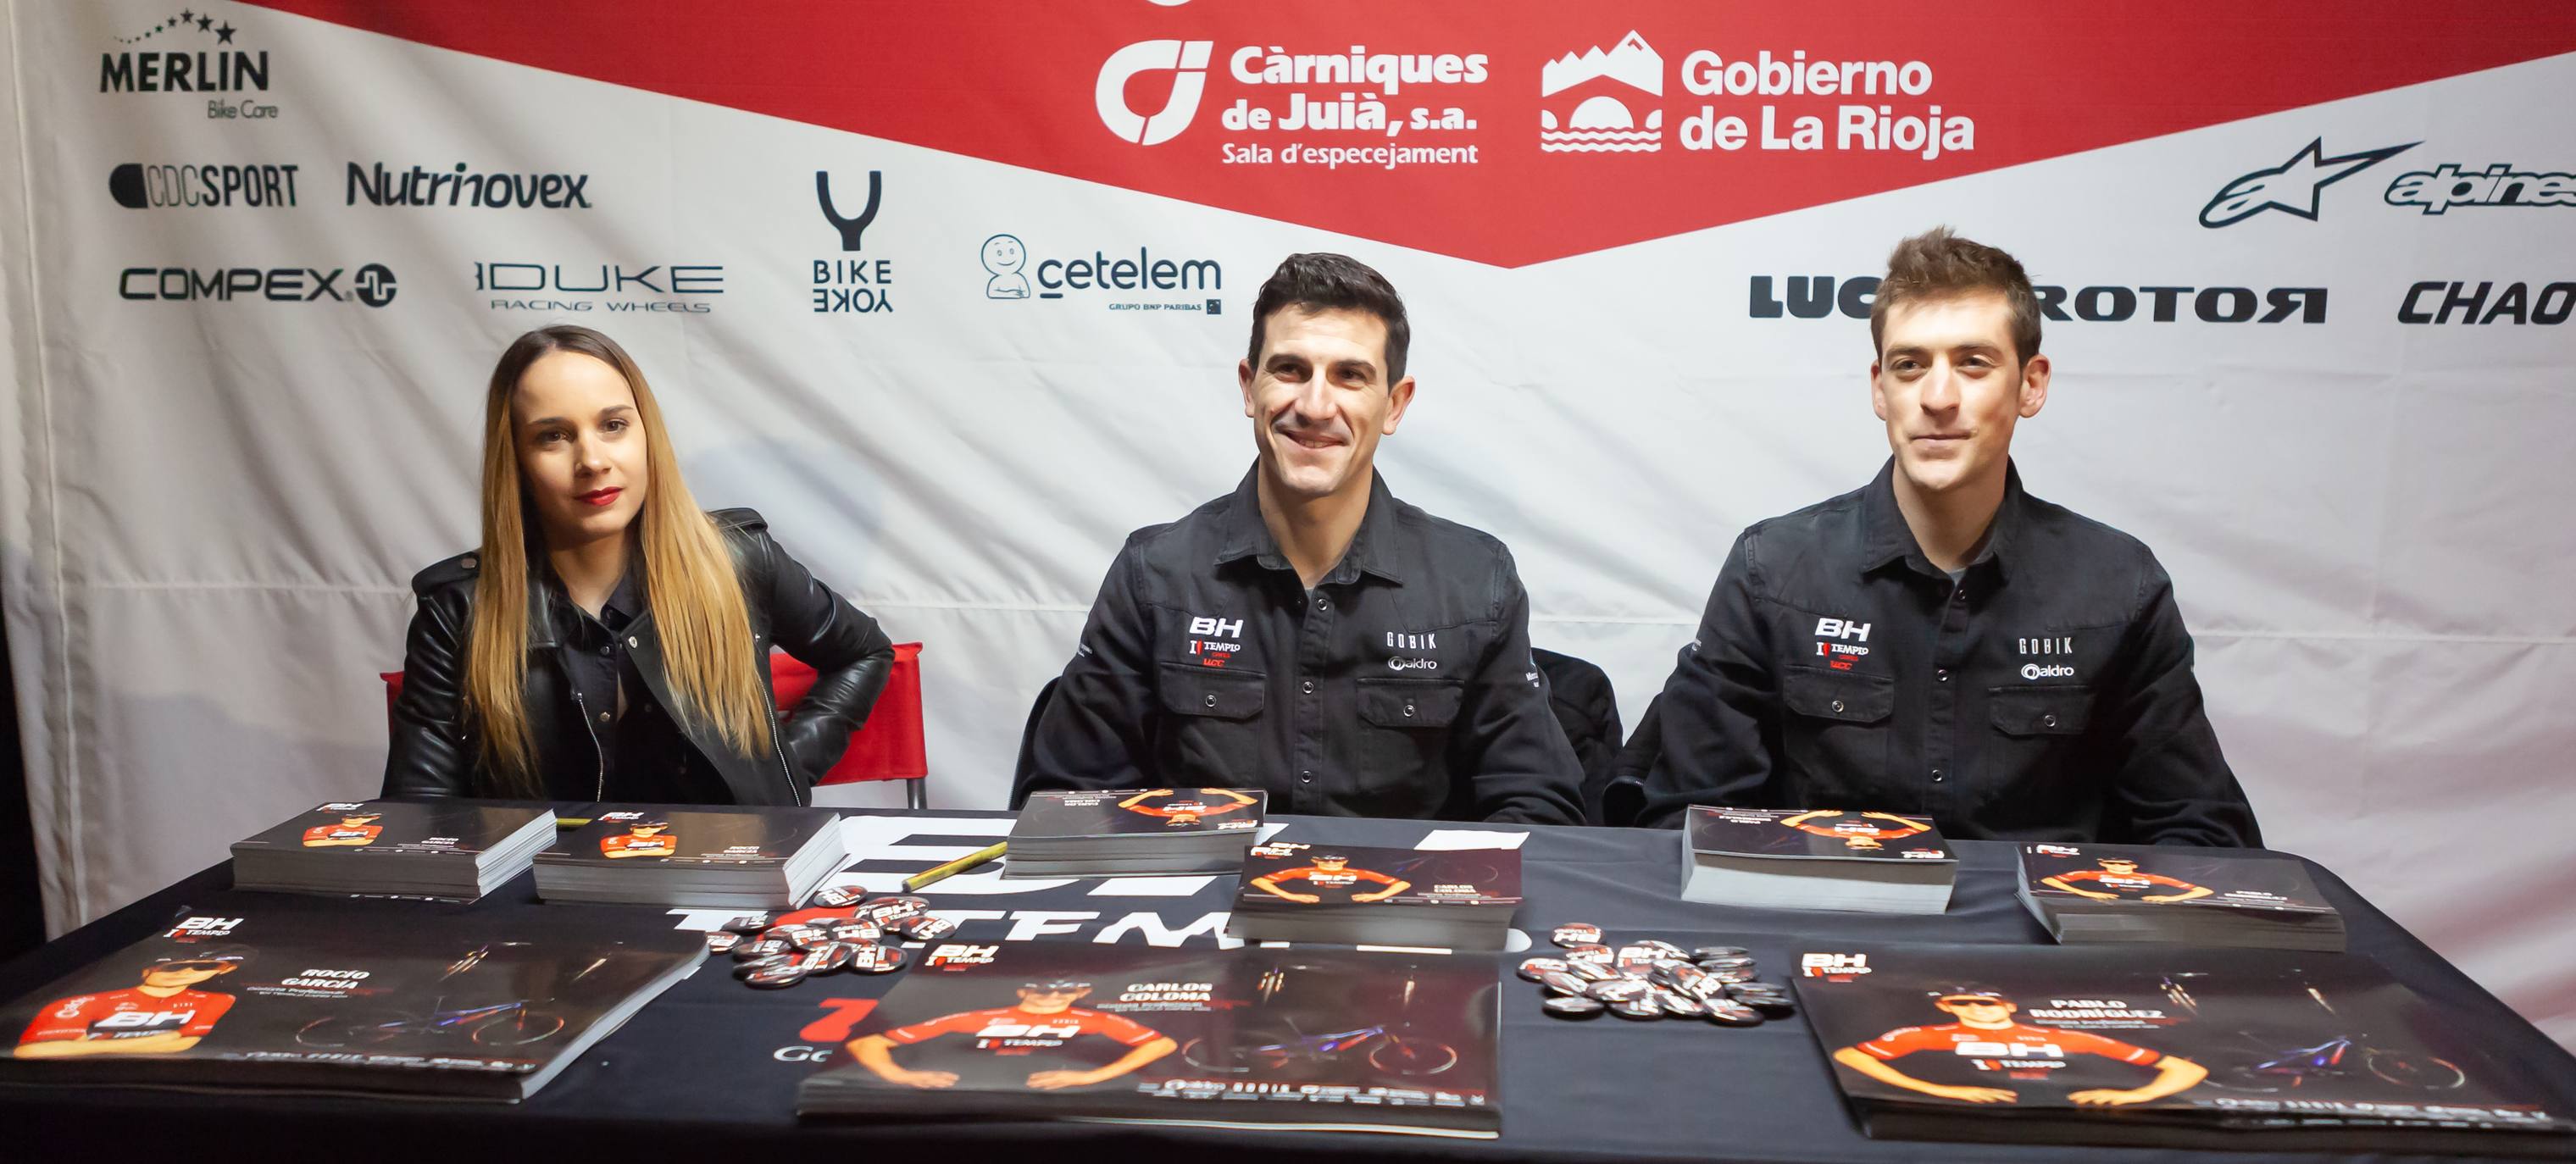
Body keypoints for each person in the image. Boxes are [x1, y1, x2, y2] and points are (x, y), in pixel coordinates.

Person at [1637, 229, 2261, 845]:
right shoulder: (1772, 569)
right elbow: (1689, 821)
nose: (1938, 398)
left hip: (2038, 942)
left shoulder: (2119, 584)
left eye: (1973, 364)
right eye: (1910, 366)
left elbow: (2199, 831)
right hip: (1829, 931)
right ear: (1881, 389)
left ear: (2031, 385)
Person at [1016, 253, 1583, 824]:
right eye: (1290, 369)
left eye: (1350, 375)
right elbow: (1074, 803)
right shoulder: (1156, 574)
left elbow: (1538, 808)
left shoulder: (1475, 580)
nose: (1314, 406)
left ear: (1394, 404)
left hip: (1400, 907)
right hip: (1210, 907)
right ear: (1248, 387)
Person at [383, 325, 894, 805]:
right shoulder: (457, 609)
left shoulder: (738, 561)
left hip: (728, 883)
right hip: (546, 895)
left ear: (647, 434)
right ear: (515, 461)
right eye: (553, 436)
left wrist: (782, 778)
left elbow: (864, 651)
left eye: (613, 425)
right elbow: (420, 819)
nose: (592, 460)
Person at [1831, 986, 2207, 1106]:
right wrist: (1935, 1090)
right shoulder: (1923, 1034)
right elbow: (1848, 1055)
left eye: (1987, 1001)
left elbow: (2188, 1068)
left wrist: (2134, 1097)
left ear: (2007, 1005)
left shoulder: (2065, 1036)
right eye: (1962, 1003)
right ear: (1945, 1006)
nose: (1976, 1008)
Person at [848, 979, 1177, 1091]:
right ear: (1023, 989)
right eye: (1042, 988)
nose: (1051, 995)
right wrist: (899, 1076)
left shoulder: (1098, 1019)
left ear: (1080, 992)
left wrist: (1092, 1078)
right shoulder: (977, 1018)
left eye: (1066, 989)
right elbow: (868, 1041)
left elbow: (1162, 1043)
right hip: (966, 1099)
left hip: (1064, 1102)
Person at [14, 950, 247, 1059]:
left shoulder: (218, 999)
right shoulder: (79, 1002)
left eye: (203, 967)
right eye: (173, 966)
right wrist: (162, 1039)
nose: (187, 971)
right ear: (147, 971)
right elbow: (31, 1051)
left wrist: (84, 1045)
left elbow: (184, 1045)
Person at [1248, 851, 1409, 904]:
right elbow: (1258, 880)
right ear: (1315, 861)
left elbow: (1402, 884)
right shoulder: (1302, 871)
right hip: (1305, 911)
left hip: (1350, 910)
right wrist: (1290, 896)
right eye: (1326, 860)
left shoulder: (1358, 873)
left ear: (1345, 861)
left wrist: (1378, 896)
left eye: (1337, 860)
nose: (1331, 863)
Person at [2040, 856, 2213, 903]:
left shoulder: (2152, 878)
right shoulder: (2089, 874)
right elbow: (2049, 880)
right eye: (2111, 863)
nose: (2117, 866)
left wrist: (2169, 898)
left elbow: (2205, 890)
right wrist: (2084, 893)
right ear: (2103, 863)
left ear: (2133, 866)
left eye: (2122, 864)